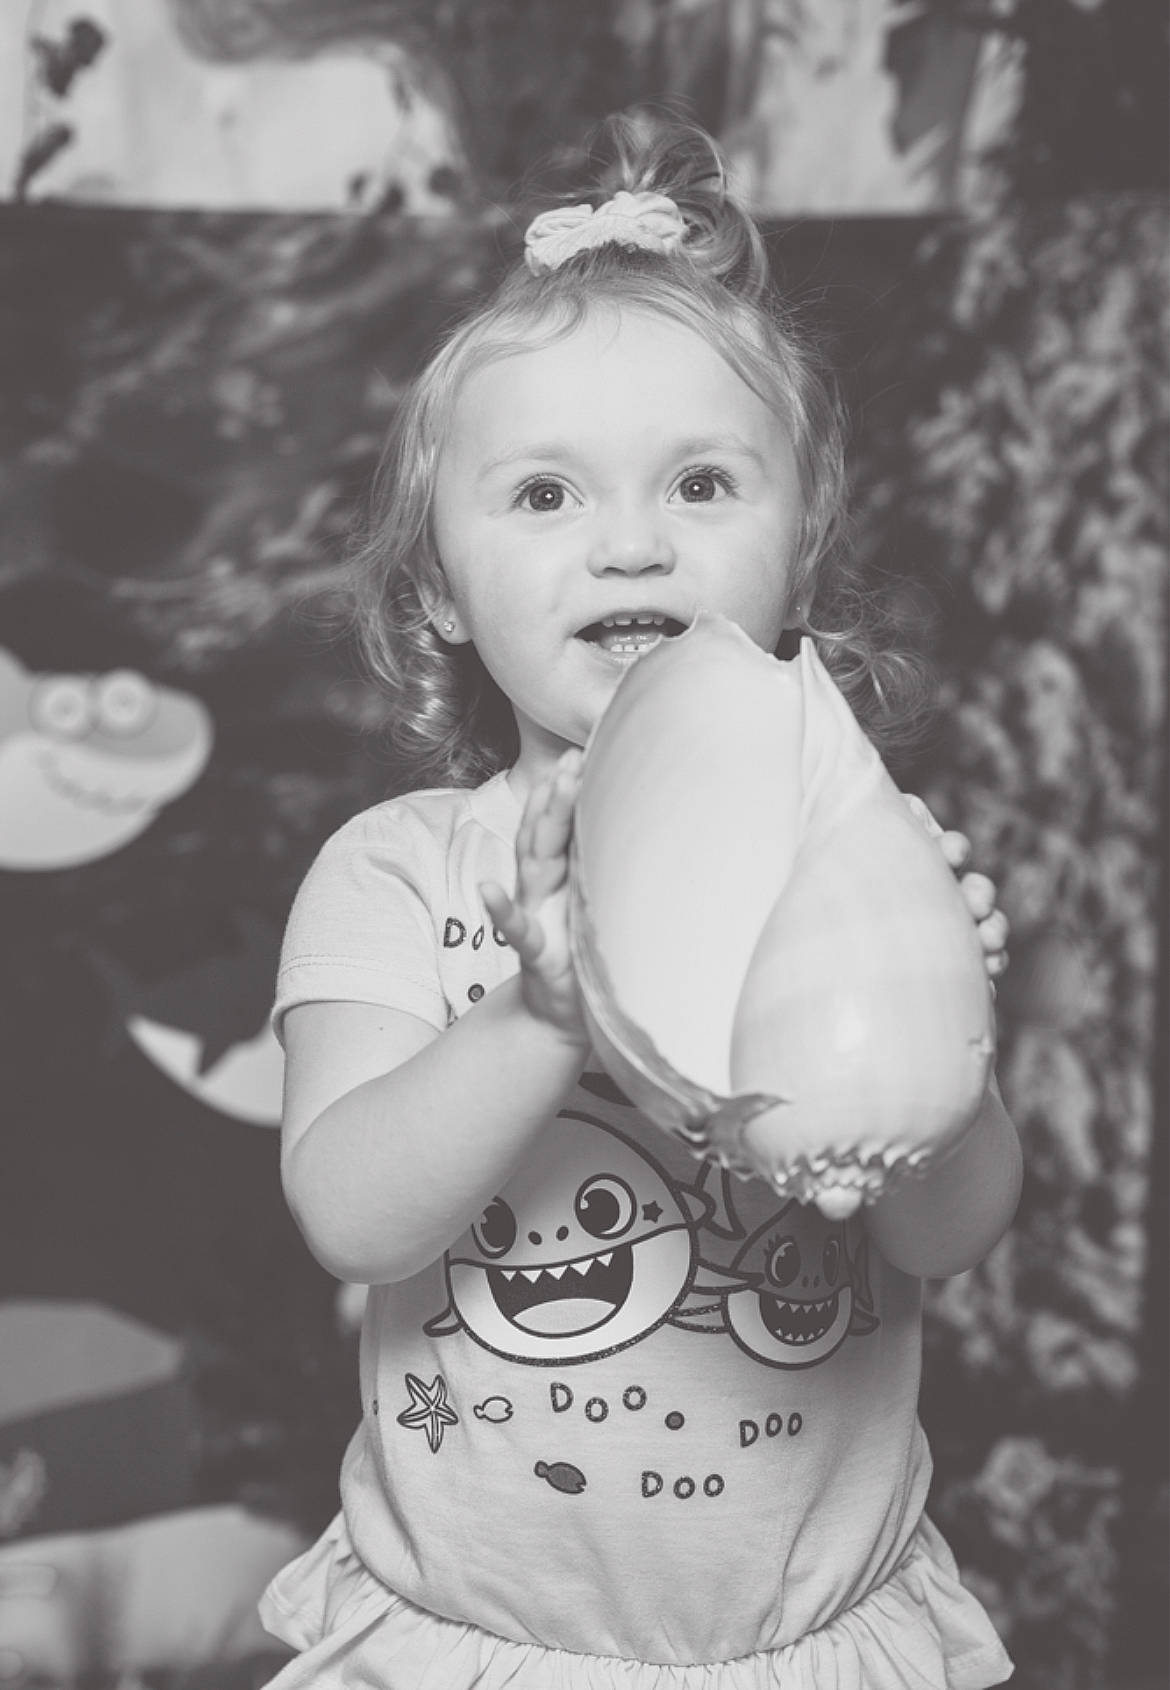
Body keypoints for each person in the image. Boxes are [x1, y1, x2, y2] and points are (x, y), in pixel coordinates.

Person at [259, 115, 1021, 1689]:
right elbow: (350, 1208)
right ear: (436, 593)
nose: (628, 538)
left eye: (699, 482)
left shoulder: (846, 852)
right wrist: (545, 1007)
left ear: (797, 560)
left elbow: (947, 1234)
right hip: (471, 1644)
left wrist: (948, 1052)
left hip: (803, 1639)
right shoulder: (397, 871)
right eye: (543, 495)